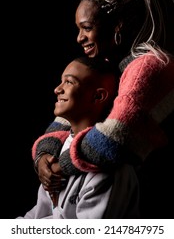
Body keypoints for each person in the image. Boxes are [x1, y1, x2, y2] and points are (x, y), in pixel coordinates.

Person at [32, 0, 174, 218]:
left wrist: (59, 166)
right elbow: (71, 119)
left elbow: (115, 137)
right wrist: (44, 155)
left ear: (117, 26)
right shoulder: (112, 66)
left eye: (87, 28)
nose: (79, 38)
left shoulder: (149, 66)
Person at [17, 55, 140, 219]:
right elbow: (41, 214)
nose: (57, 89)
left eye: (68, 82)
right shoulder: (60, 148)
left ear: (98, 96)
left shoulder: (109, 167)